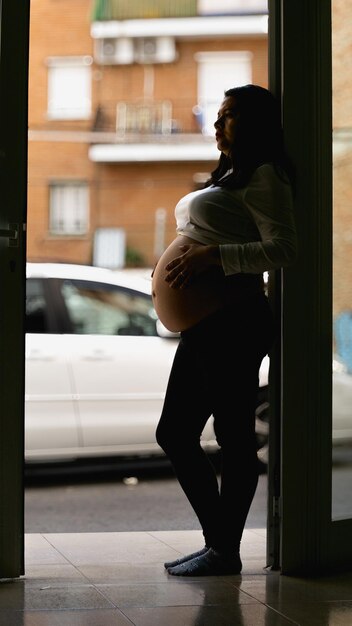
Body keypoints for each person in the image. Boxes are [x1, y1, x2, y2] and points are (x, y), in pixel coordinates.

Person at [152, 84, 297, 576]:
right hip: (207, 325)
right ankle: (220, 544)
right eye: (219, 115)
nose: (218, 123)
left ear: (255, 123)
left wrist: (212, 255)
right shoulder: (233, 176)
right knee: (174, 433)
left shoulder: (265, 175)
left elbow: (283, 249)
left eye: (230, 115)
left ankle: (222, 549)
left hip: (233, 323)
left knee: (233, 437)